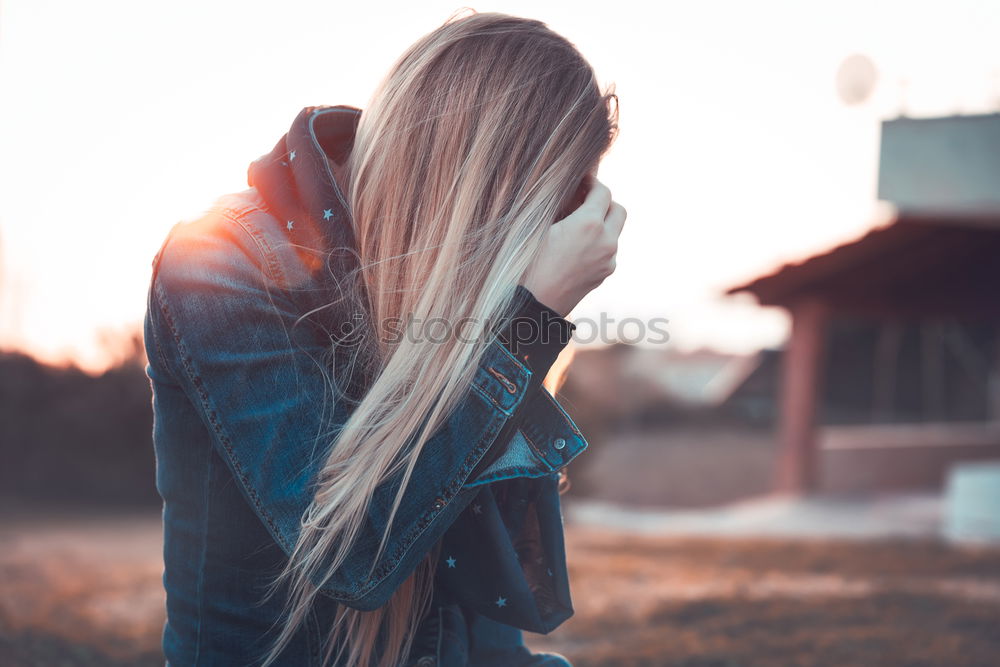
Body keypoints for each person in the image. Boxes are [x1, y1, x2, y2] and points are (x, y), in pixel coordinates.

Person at [143, 10, 624, 667]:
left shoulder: (460, 300)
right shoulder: (223, 259)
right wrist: (531, 318)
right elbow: (351, 553)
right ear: (484, 185)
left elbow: (480, 615)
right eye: (541, 209)